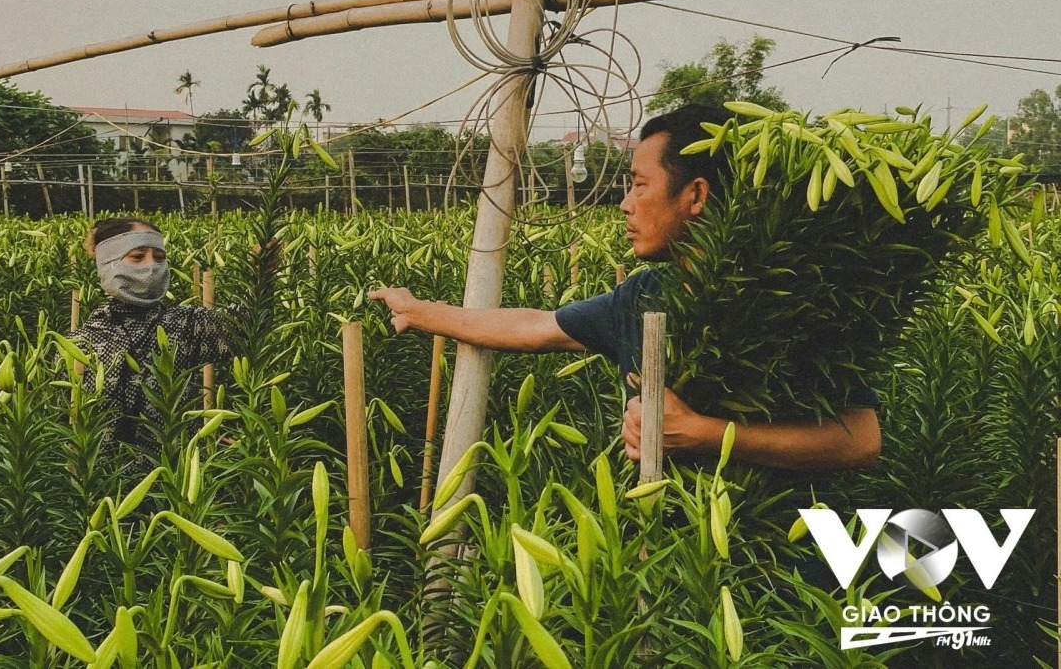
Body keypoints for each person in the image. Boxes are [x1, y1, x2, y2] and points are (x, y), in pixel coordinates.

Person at [369, 104, 881, 481]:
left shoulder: (789, 297)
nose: (624, 204)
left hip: (783, 580)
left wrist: (703, 433)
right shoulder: (643, 295)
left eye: (639, 184)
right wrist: (420, 311)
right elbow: (534, 326)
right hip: (671, 565)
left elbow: (859, 439)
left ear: (696, 194)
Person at [71, 217, 237, 452]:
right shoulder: (79, 342)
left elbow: (245, 326)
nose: (151, 266)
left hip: (173, 473)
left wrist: (262, 272)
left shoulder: (185, 324)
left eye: (160, 258)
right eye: (138, 257)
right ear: (107, 263)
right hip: (100, 478)